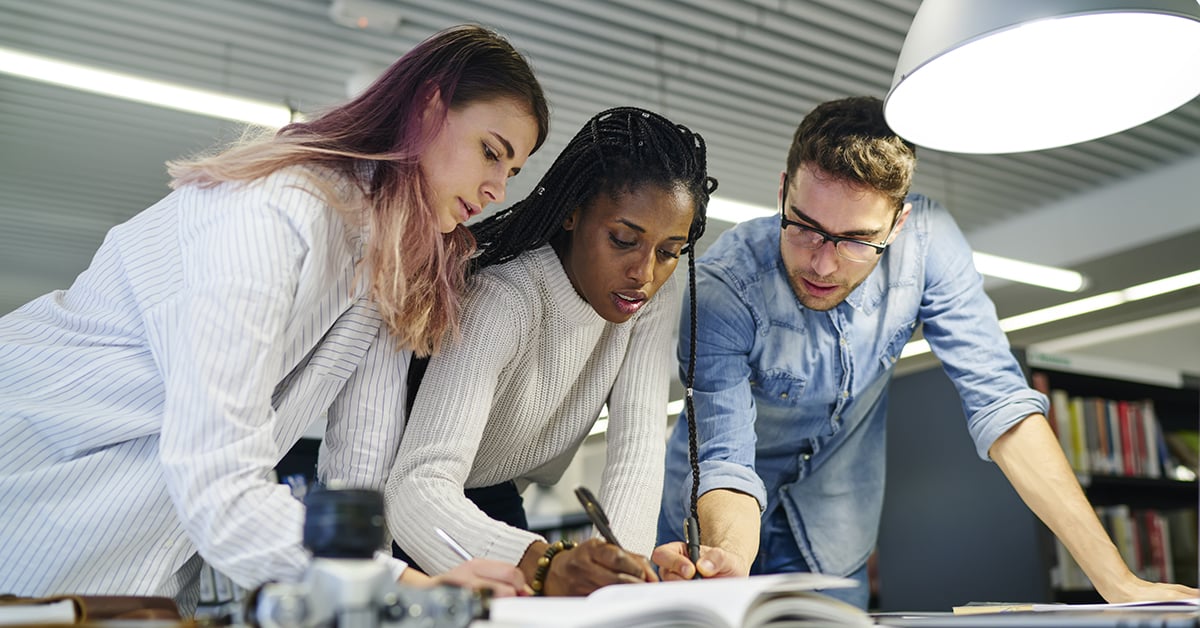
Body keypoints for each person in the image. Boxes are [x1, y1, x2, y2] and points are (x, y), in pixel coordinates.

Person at [0, 25, 549, 611]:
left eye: (512, 173)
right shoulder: (273, 213)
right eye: (491, 152)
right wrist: (407, 587)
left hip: (121, 555)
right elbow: (220, 486)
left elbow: (358, 483)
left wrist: (383, 595)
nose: (496, 189)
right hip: (35, 473)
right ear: (428, 105)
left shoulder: (387, 265)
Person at [652, 96, 1200, 607]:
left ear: (899, 222)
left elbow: (1003, 406)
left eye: (857, 240)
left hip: (833, 530)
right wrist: (729, 568)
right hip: (710, 529)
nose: (822, 264)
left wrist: (1116, 580)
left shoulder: (930, 243)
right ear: (782, 192)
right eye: (806, 227)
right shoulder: (725, 286)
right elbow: (725, 457)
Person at [384, 106, 716, 596]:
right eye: (623, 240)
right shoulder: (504, 298)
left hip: (495, 494)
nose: (644, 273)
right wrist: (548, 567)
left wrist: (618, 575)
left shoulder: (648, 297)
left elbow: (637, 453)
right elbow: (415, 487)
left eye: (669, 252)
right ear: (572, 212)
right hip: (410, 507)